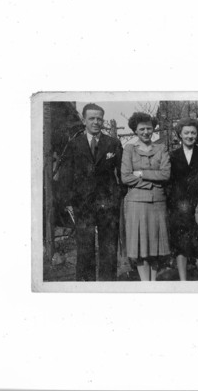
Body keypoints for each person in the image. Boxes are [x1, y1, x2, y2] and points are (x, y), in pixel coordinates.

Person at [60, 103, 123, 281]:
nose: (96, 122)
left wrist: (117, 196)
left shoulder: (113, 143)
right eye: (91, 118)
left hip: (108, 205)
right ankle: (85, 287)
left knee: (109, 248)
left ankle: (107, 286)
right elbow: (66, 176)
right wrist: (70, 202)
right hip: (83, 205)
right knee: (85, 249)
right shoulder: (74, 144)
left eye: (99, 119)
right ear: (83, 120)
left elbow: (123, 173)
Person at [121, 112, 171, 281]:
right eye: (142, 129)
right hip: (136, 204)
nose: (146, 132)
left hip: (157, 203)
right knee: (141, 246)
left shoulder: (161, 148)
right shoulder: (129, 149)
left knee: (155, 246)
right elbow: (126, 177)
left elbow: (165, 174)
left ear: (154, 129)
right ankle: (145, 283)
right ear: (135, 131)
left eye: (149, 128)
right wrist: (151, 182)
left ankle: (154, 282)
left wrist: (141, 173)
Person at [168, 118, 198, 281]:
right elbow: (169, 181)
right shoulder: (172, 156)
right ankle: (183, 282)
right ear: (180, 134)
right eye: (186, 132)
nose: (190, 136)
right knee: (181, 246)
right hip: (179, 207)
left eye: (193, 132)